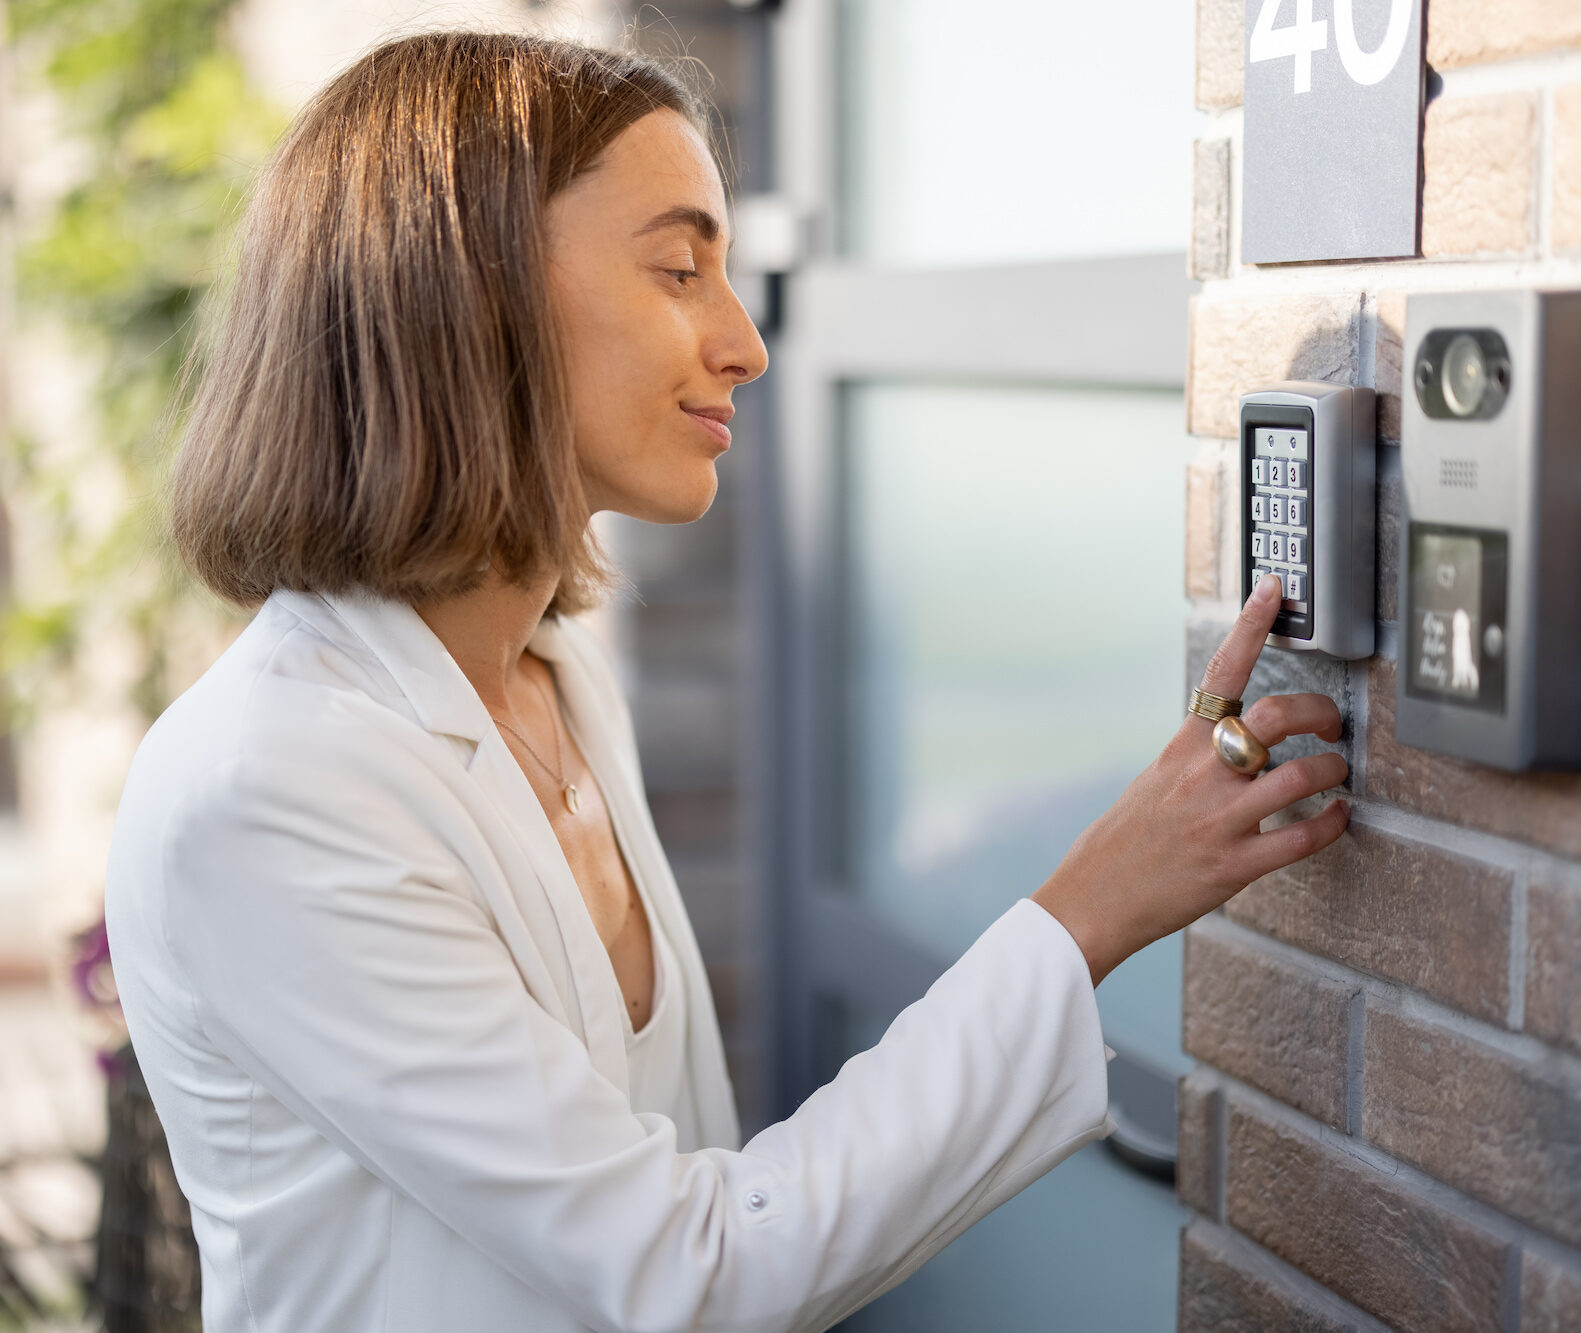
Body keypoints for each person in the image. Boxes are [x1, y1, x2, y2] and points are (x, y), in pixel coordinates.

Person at [104, 30, 1351, 1333]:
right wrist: (1091, 905)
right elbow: (692, 1267)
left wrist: (1111, 815)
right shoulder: (270, 789)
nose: (746, 343)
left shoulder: (550, 680)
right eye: (679, 269)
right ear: (471, 300)